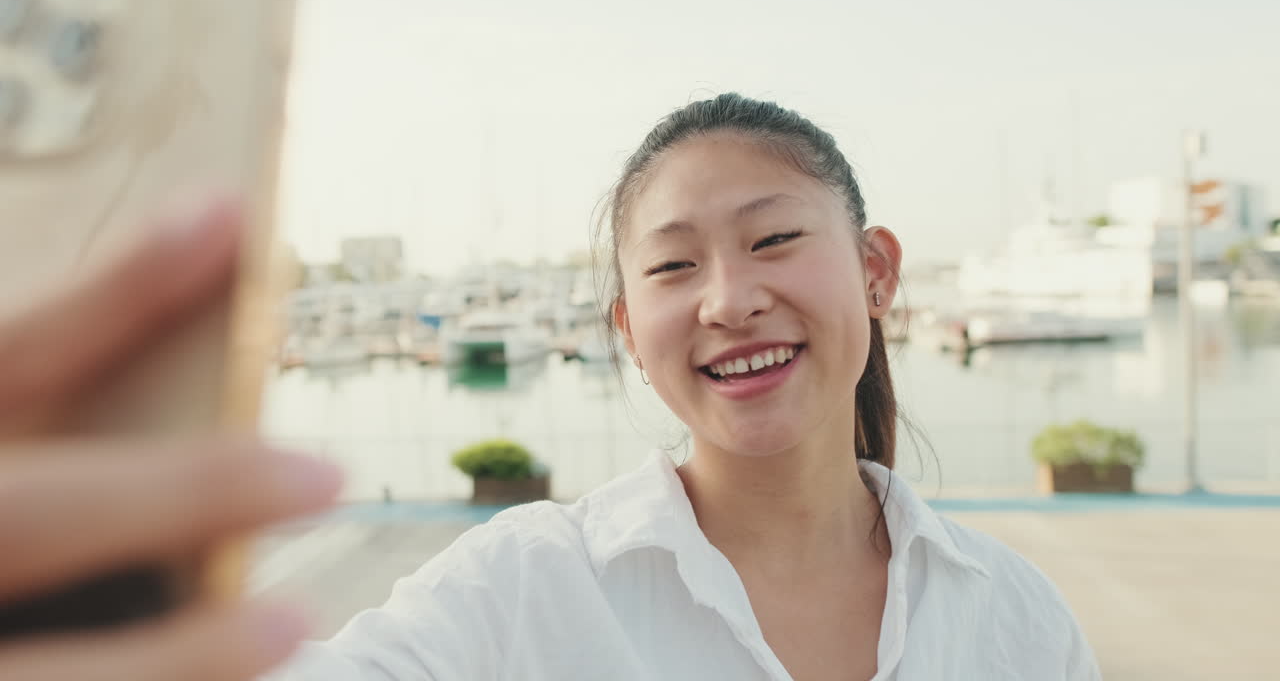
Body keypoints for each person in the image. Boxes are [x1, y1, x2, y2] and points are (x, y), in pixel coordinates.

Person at [0, 95, 1101, 680]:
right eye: (672, 266)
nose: (726, 299)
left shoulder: (1008, 619)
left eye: (771, 240)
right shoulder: (523, 587)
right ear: (629, 330)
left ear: (875, 271)